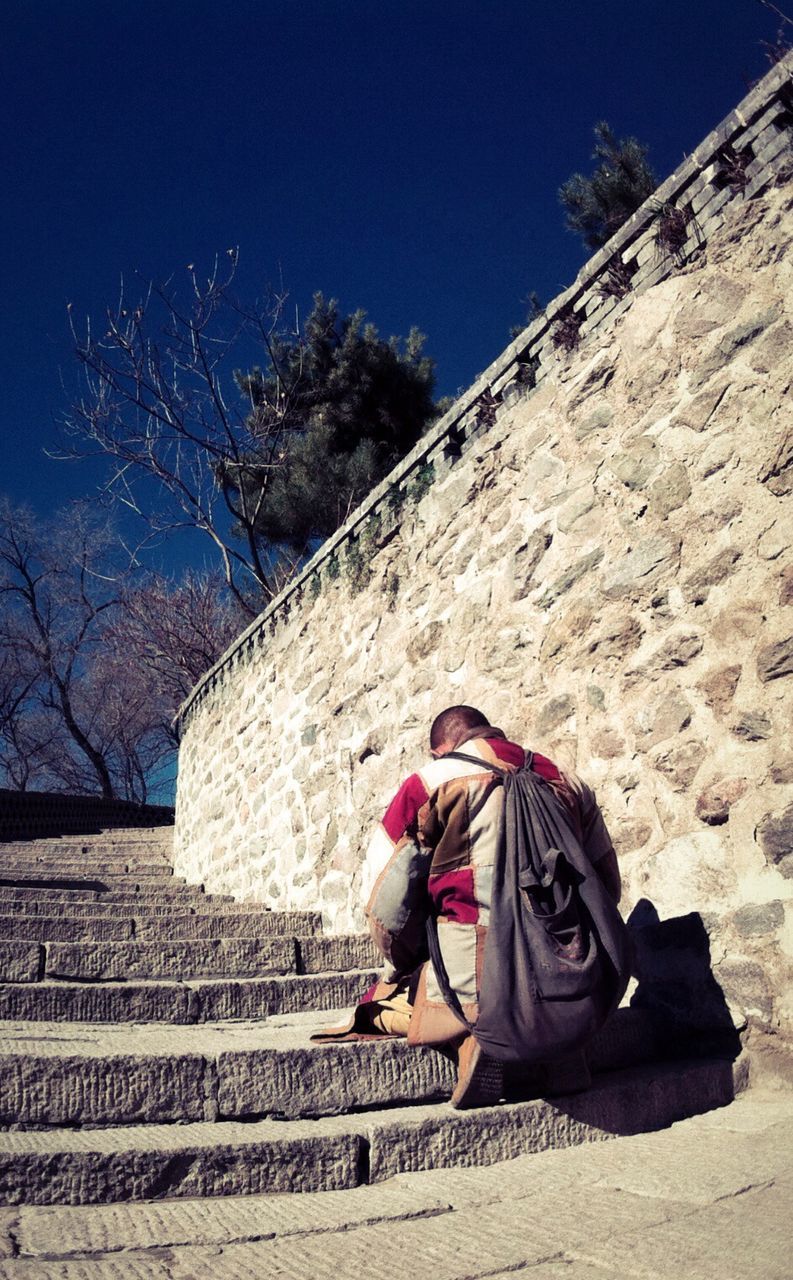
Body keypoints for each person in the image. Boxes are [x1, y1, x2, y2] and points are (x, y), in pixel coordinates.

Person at [316, 705, 621, 1109]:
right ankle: (563, 1050)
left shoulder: (428, 784)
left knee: (388, 1008)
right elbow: (607, 885)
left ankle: (472, 1036)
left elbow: (385, 908)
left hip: (475, 978)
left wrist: (402, 963)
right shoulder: (566, 780)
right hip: (570, 969)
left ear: (441, 749)